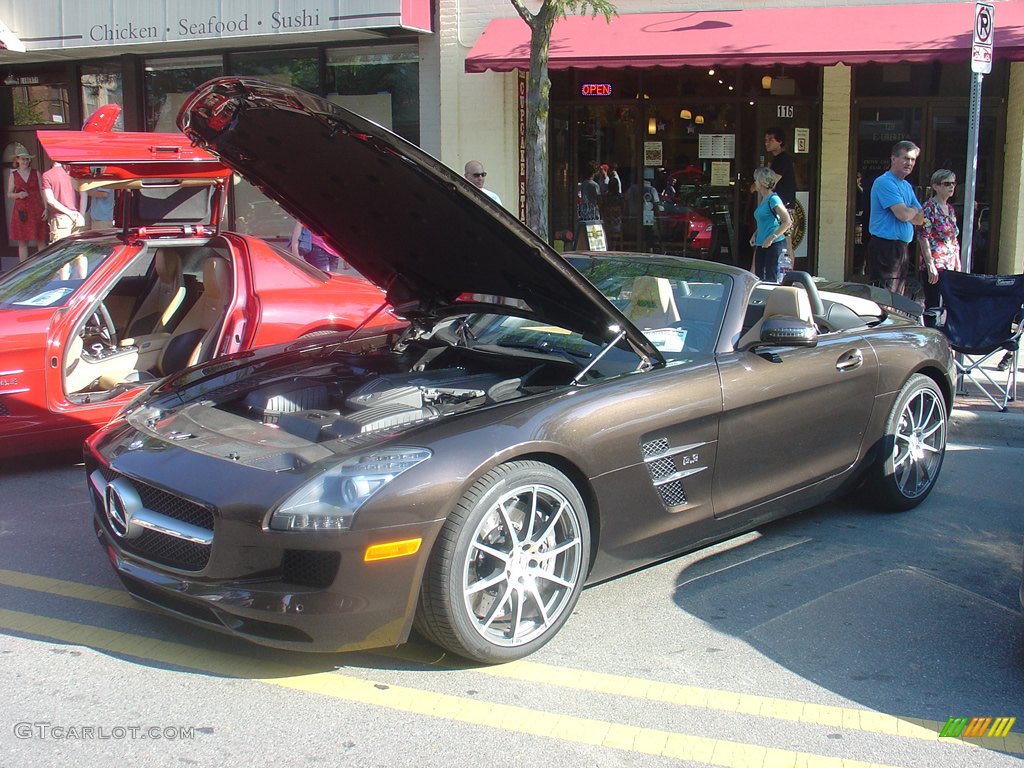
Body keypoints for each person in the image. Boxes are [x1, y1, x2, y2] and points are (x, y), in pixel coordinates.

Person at [867, 140, 926, 297]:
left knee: (897, 296)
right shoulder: (884, 182)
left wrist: (910, 211)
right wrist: (912, 210)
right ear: (893, 159)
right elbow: (903, 215)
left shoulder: (906, 186)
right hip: (885, 248)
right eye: (906, 158)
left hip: (902, 248)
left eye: (913, 160)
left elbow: (920, 218)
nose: (909, 163)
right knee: (885, 297)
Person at [917, 168, 961, 310]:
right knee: (933, 304)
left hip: (949, 265)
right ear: (936, 186)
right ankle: (933, 330)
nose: (951, 187)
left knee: (950, 302)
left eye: (953, 183)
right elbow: (923, 237)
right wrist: (930, 264)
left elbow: (954, 238)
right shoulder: (929, 208)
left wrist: (957, 263)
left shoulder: (950, 209)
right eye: (947, 183)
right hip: (936, 264)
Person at [749, 166, 793, 283]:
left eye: (756, 180)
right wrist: (755, 234)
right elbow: (764, 221)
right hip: (761, 243)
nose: (755, 183)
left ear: (761, 182)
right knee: (760, 277)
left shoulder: (774, 199)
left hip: (774, 245)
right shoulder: (764, 199)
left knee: (771, 277)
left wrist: (772, 238)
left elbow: (787, 221)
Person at [6, 144, 46, 262]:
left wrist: (46, 208)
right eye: (23, 159)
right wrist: (18, 195)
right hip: (21, 212)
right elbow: (9, 194)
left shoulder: (36, 173)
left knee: (41, 239)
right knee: (22, 241)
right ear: (17, 159)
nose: (25, 161)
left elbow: (42, 191)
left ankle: (44, 266)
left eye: (27, 159)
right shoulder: (13, 175)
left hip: (37, 209)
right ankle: (23, 268)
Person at [764, 127, 796, 262]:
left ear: (780, 141)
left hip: (784, 205)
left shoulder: (782, 159)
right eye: (766, 140)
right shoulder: (776, 160)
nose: (767, 143)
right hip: (776, 205)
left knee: (786, 242)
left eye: (771, 139)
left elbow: (771, 183)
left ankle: (788, 275)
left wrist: (757, 186)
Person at [42, 159, 85, 244]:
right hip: (77, 216)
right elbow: (84, 193)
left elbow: (50, 199)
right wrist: (82, 215)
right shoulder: (74, 173)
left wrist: (69, 213)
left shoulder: (47, 175)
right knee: (77, 252)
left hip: (60, 218)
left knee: (60, 252)